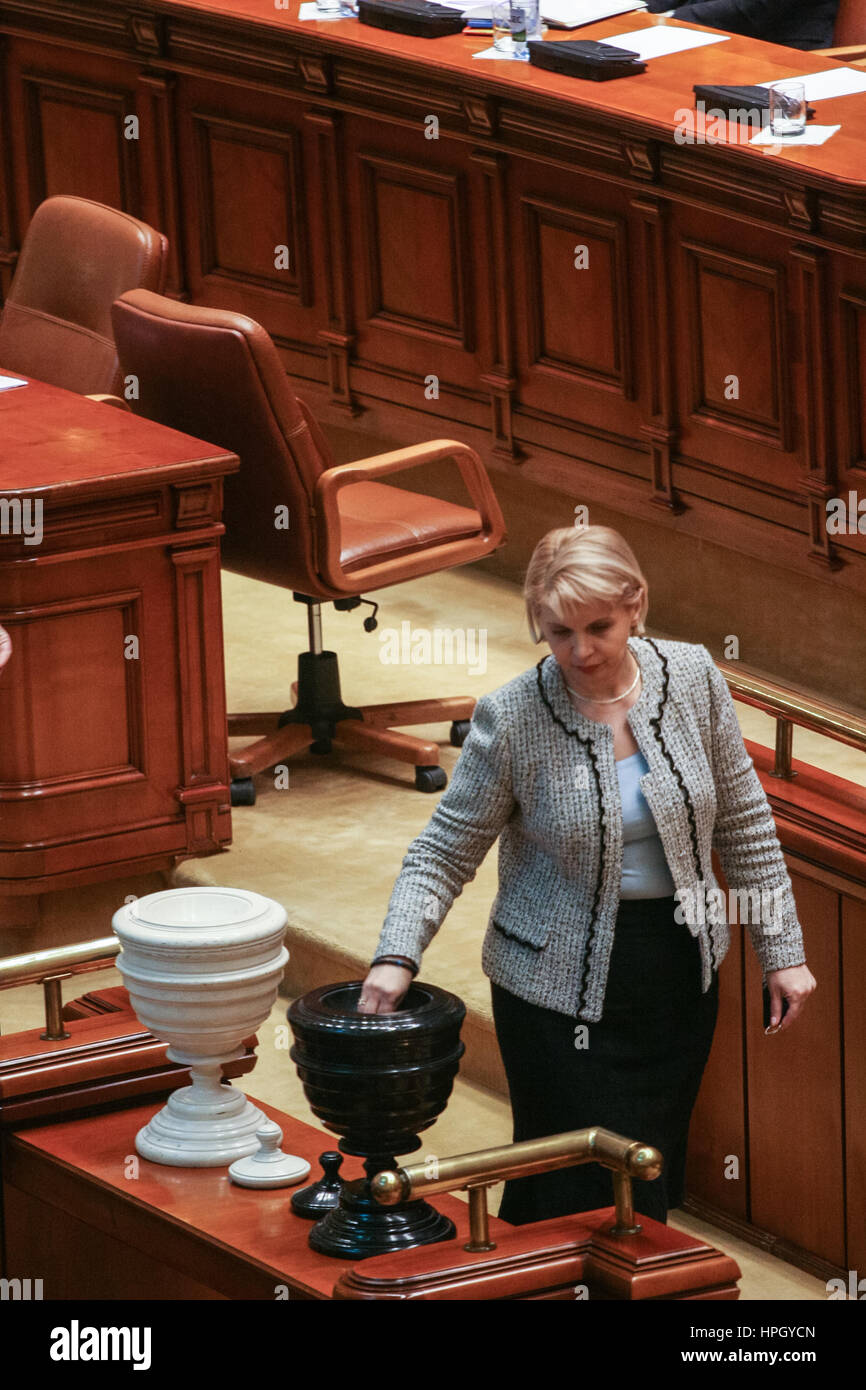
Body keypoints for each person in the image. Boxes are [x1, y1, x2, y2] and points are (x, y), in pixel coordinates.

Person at [358, 525, 816, 1224]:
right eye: (558, 632)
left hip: (675, 975)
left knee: (648, 1175)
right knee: (573, 1189)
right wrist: (397, 955)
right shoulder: (511, 718)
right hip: (552, 994)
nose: (580, 651)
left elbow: (744, 824)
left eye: (598, 626)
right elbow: (443, 850)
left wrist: (781, 950)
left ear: (636, 604)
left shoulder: (694, 678)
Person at [646, 0, 839, 50]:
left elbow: (755, 8)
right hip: (704, 35)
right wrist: (642, 8)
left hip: (777, 49)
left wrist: (670, 17)